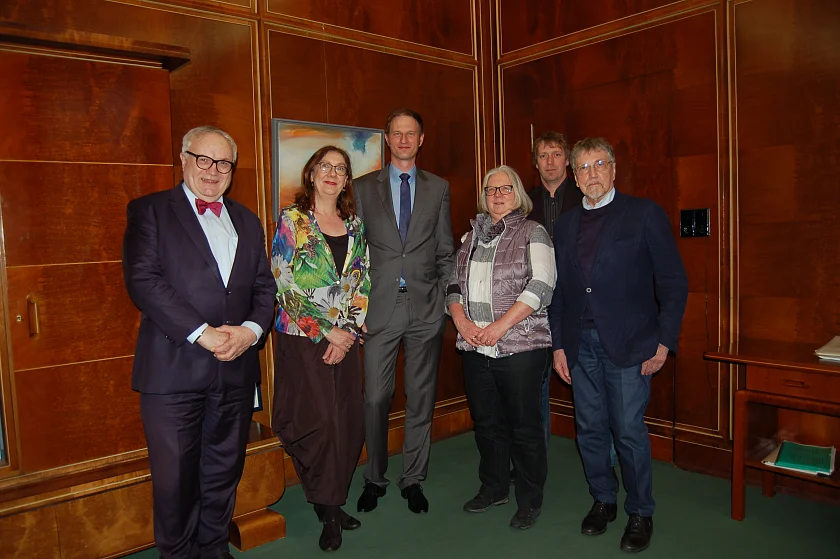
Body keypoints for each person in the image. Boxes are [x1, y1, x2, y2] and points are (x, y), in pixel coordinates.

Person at [123, 125, 276, 559]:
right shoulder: (149, 211)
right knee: (174, 480)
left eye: (223, 162)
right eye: (203, 160)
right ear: (184, 159)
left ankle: (213, 549)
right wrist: (203, 334)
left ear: (232, 169)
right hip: (173, 371)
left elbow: (264, 288)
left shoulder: (246, 219)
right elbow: (144, 281)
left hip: (235, 370)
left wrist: (250, 332)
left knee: (223, 470)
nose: (213, 171)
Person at [548, 137, 688, 553]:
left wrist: (664, 342)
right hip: (580, 345)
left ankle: (640, 510)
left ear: (613, 169)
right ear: (573, 176)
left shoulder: (644, 214)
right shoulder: (567, 225)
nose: (591, 173)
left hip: (630, 345)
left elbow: (673, 283)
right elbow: (561, 293)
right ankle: (603, 500)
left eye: (599, 164)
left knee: (628, 431)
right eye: (583, 167)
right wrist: (558, 346)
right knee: (589, 428)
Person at [353, 108, 455, 515]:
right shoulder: (363, 188)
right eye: (397, 134)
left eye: (411, 134)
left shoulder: (439, 188)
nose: (404, 140)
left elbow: (445, 249)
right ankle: (374, 477)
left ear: (421, 139)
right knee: (376, 397)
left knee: (421, 398)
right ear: (388, 139)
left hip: (426, 308)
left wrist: (448, 301)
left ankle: (413, 478)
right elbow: (356, 255)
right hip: (380, 307)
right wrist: (355, 308)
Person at [271, 145, 370, 552]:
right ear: (312, 174)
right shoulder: (292, 220)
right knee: (317, 422)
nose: (332, 173)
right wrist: (325, 331)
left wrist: (347, 334)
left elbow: (362, 284)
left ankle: (330, 498)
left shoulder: (356, 224)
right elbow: (282, 280)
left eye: (341, 168)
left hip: (346, 340)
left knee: (347, 421)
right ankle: (328, 511)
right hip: (302, 338)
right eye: (325, 166)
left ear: (346, 180)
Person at [447, 165, 555, 530]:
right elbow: (452, 286)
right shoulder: (470, 237)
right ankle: (493, 487)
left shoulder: (532, 232)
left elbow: (542, 286)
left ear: (518, 193)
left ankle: (530, 499)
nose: (497, 194)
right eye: (491, 189)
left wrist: (498, 328)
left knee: (524, 427)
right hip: (475, 348)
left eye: (505, 188)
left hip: (521, 347)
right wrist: (462, 323)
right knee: (487, 424)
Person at [526, 131, 583, 448]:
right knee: (536, 387)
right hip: (534, 306)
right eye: (543, 155)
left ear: (568, 160)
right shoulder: (523, 201)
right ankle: (537, 459)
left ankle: (606, 465)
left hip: (577, 304)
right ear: (536, 163)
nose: (550, 161)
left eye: (556, 154)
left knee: (589, 386)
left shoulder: (584, 196)